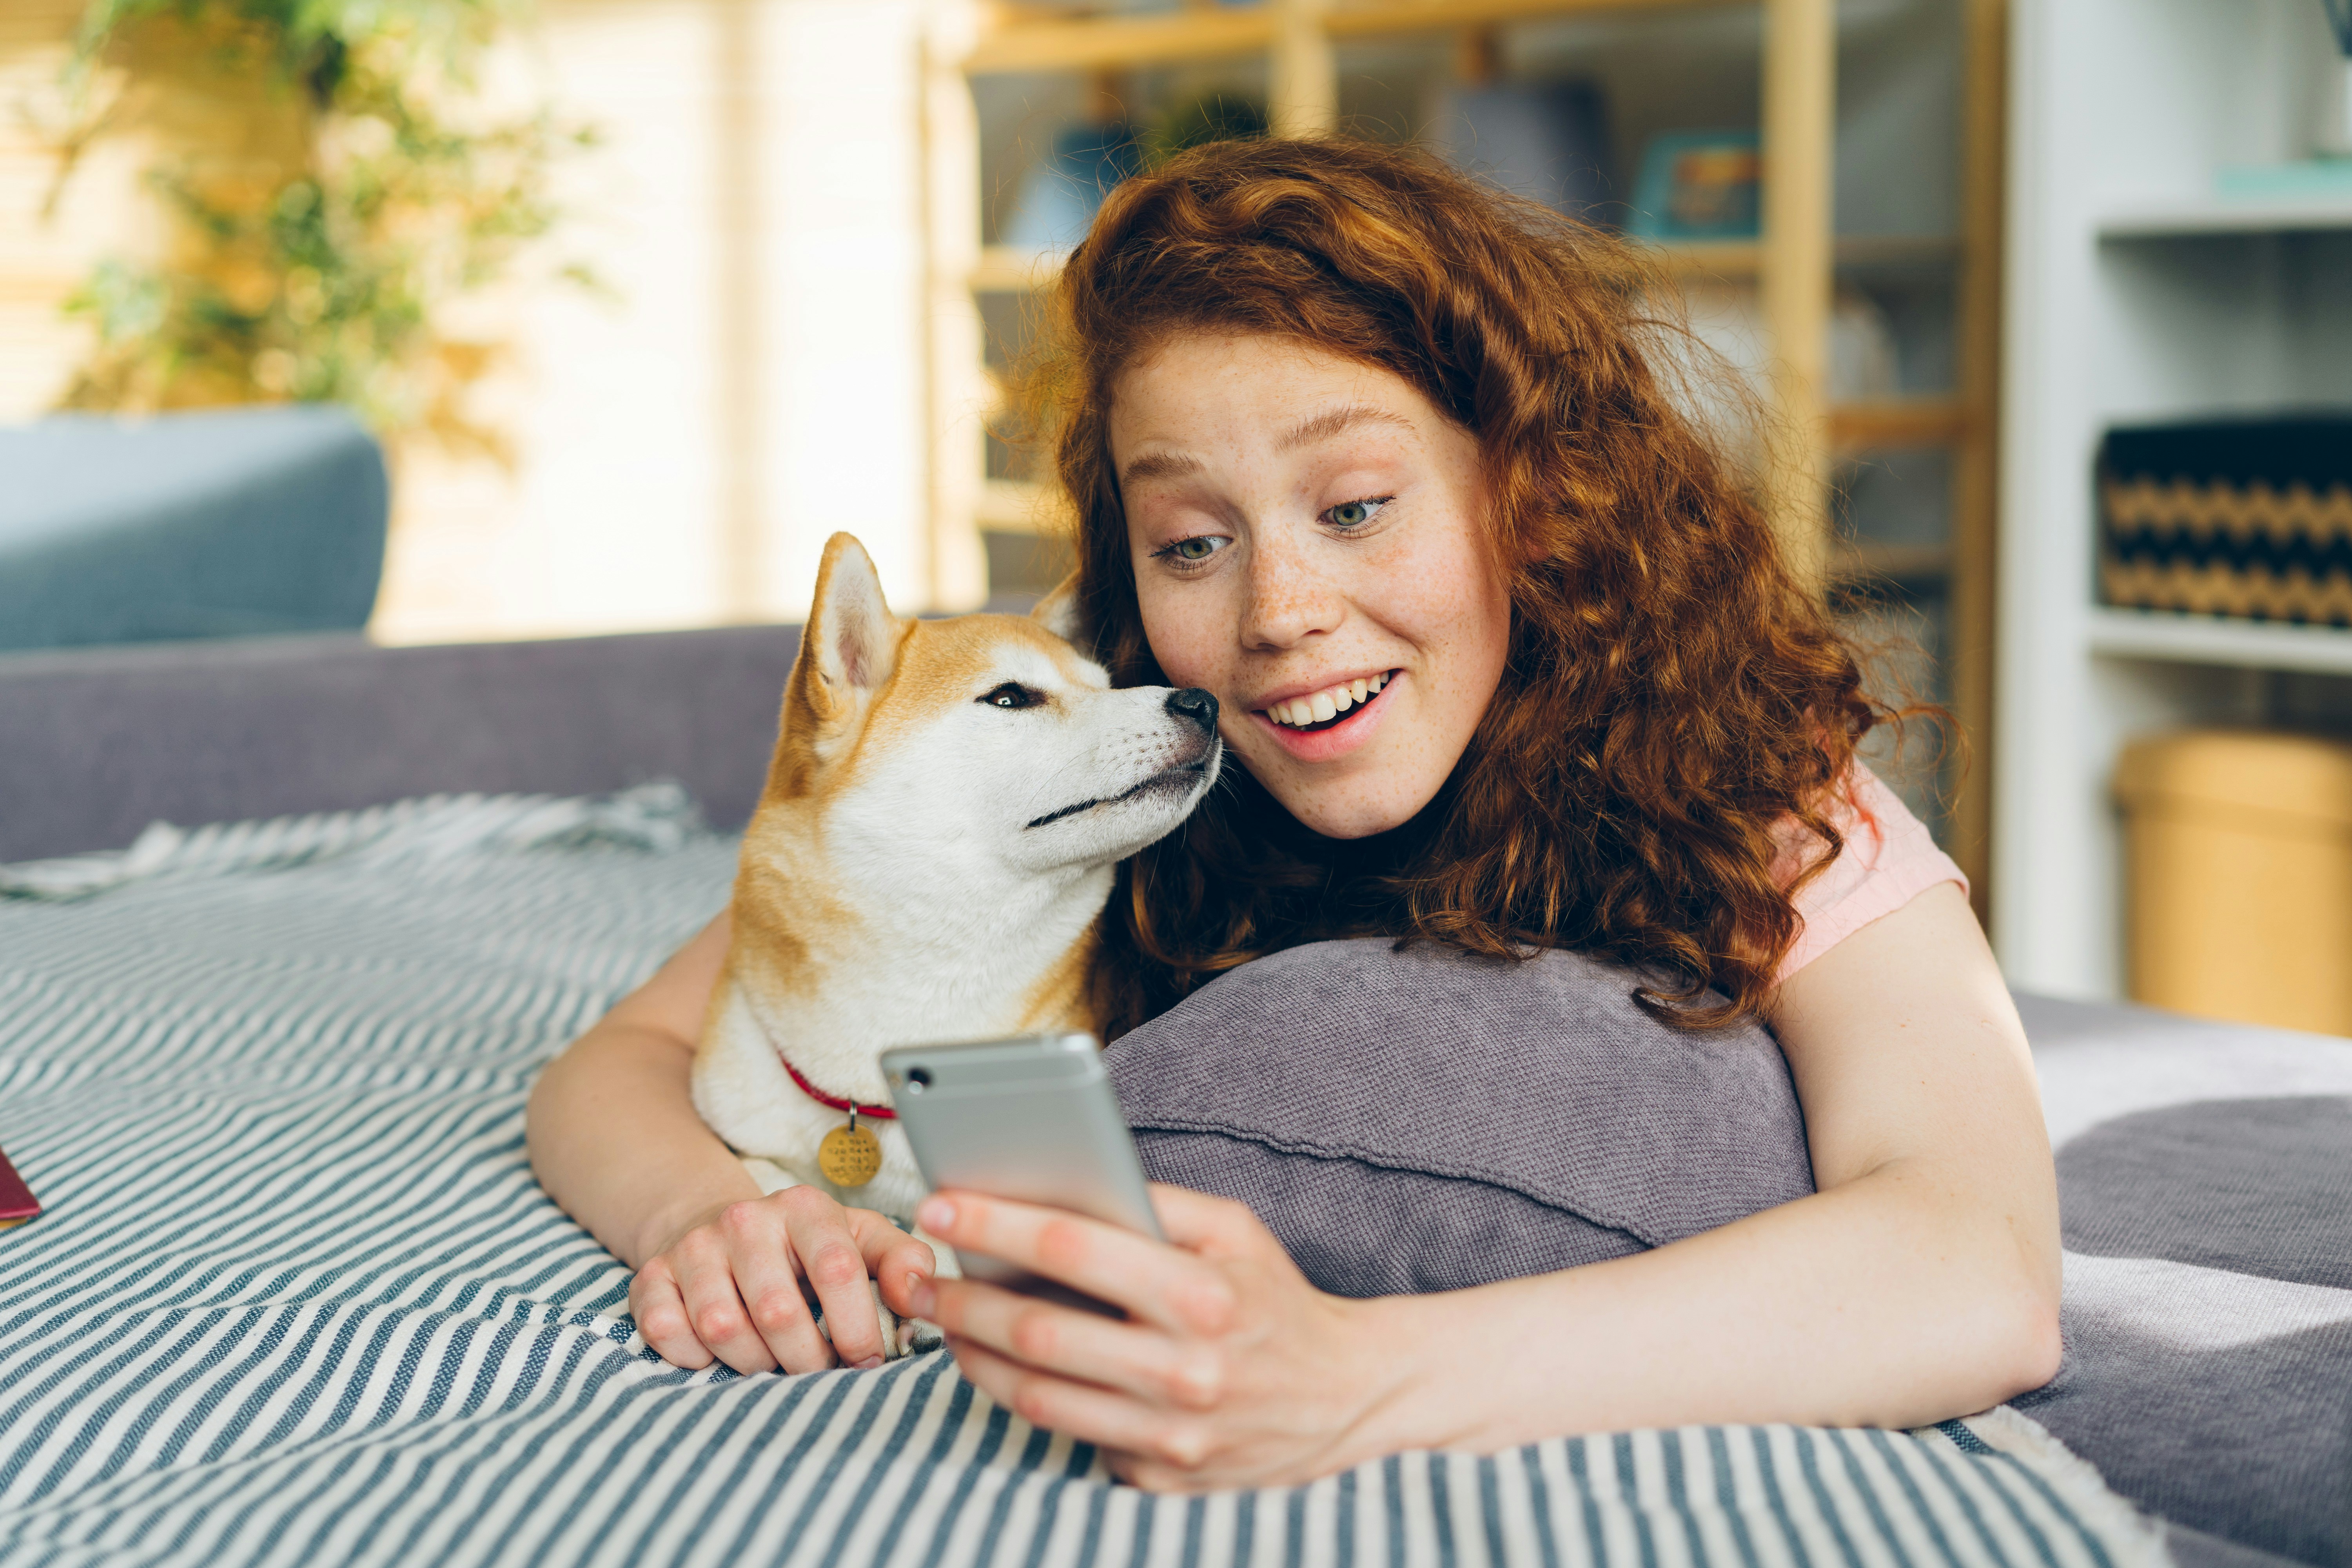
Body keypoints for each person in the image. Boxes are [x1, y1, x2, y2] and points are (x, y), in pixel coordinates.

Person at [526, 137, 2059, 1493]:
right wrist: (707, 1216)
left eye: (1354, 508)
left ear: (1530, 491)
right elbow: (630, 1055)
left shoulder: (1743, 781)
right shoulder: (1124, 722)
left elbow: (1976, 1259)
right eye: (1192, 539)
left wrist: (1350, 1381)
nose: (1280, 613)